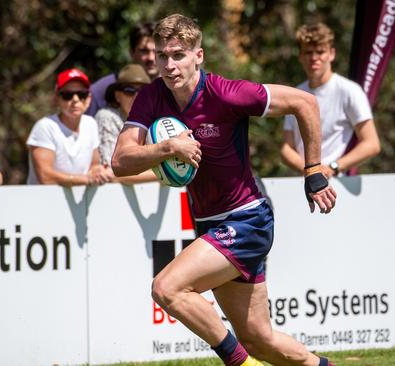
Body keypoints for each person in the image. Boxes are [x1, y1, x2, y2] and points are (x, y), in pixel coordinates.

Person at [112, 14, 337, 366]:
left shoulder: (225, 93)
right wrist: (168, 148)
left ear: (198, 56)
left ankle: (240, 365)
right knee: (259, 340)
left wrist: (313, 171)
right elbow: (120, 161)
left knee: (166, 288)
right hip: (209, 222)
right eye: (162, 56)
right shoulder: (151, 97)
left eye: (178, 55)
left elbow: (304, 103)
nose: (169, 65)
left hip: (247, 219)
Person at [281, 23, 380, 178]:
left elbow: (371, 144)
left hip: (337, 183)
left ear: (331, 54)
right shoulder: (295, 94)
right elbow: (287, 148)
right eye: (308, 52)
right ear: (300, 56)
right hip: (300, 184)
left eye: (320, 52)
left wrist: (334, 167)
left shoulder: (349, 91)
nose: (314, 58)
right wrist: (311, 171)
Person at [27, 68, 113, 186]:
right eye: (67, 95)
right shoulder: (45, 127)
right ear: (56, 98)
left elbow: (93, 166)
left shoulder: (91, 124)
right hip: (44, 201)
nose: (75, 99)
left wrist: (99, 172)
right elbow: (45, 177)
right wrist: (86, 179)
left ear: (89, 99)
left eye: (81, 94)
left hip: (80, 200)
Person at [95, 64, 156, 184]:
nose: (137, 96)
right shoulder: (107, 117)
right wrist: (164, 174)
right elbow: (112, 173)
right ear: (117, 96)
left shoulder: (156, 119)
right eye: (129, 91)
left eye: (143, 91)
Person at [86, 22, 159, 116]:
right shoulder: (99, 91)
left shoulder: (173, 87)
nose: (151, 58)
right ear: (131, 53)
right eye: (144, 51)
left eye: (156, 51)